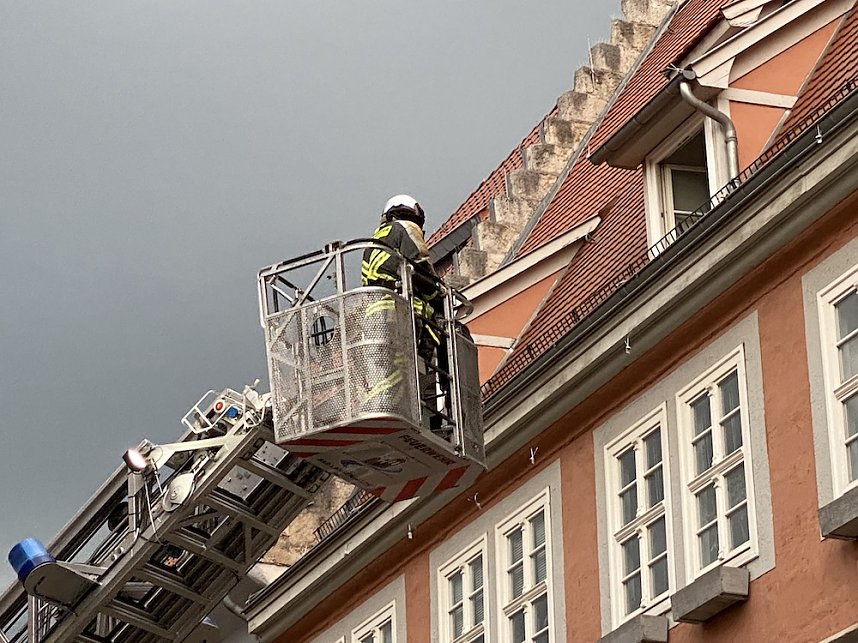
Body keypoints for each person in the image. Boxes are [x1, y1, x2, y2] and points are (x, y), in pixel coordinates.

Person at [360, 195, 449, 433]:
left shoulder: (372, 244)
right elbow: (420, 267)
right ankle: (430, 423)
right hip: (406, 315)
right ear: (414, 215)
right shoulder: (406, 228)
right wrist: (438, 299)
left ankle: (386, 410)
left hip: (377, 318)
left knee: (391, 370)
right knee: (420, 372)